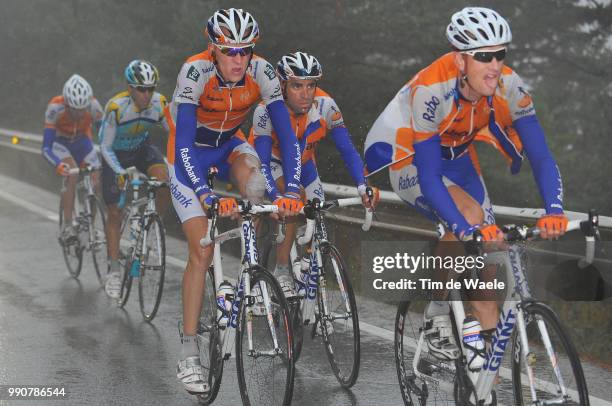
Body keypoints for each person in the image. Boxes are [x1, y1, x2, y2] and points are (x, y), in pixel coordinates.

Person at [364, 7, 567, 361]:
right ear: (460, 60)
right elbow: (428, 177)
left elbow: (542, 157)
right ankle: (437, 313)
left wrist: (554, 210)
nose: (494, 65)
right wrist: (462, 226)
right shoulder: (431, 88)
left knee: (494, 258)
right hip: (413, 161)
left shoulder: (510, 86)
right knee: (468, 220)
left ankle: (482, 370)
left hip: (460, 163)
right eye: (483, 56)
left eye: (500, 54)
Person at [165, 8, 303, 394]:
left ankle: (250, 269)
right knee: (201, 252)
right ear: (213, 49)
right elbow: (185, 142)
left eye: (245, 50)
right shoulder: (195, 72)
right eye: (230, 52)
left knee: (258, 187)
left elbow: (288, 138)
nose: (238, 60)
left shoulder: (262, 72)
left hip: (229, 147)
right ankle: (189, 349)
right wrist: (206, 195)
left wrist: (290, 190)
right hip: (187, 155)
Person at [250, 51, 380, 297]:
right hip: (271, 164)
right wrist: (277, 196)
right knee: (294, 197)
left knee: (318, 212)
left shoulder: (326, 106)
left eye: (311, 85)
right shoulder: (267, 109)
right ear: (282, 85)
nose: (305, 93)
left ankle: (308, 268)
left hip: (305, 164)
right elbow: (263, 165)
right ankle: (281, 271)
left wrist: (364, 186)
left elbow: (348, 150)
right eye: (297, 85)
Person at [99, 59, 170, 299]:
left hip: (141, 150)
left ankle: (152, 225)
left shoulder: (159, 104)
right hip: (115, 155)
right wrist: (121, 171)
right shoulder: (116, 108)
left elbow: (176, 134)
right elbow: (105, 147)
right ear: (130, 88)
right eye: (141, 89)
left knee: (163, 180)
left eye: (151, 88)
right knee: (114, 211)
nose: (147, 94)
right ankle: (114, 270)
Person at [42, 74, 103, 241]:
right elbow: (46, 147)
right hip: (61, 144)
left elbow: (105, 136)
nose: (79, 113)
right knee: (72, 173)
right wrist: (57, 164)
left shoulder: (94, 106)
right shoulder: (55, 107)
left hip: (83, 142)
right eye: (74, 109)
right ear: (67, 104)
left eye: (82, 109)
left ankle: (90, 224)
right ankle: (68, 227)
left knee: (96, 179)